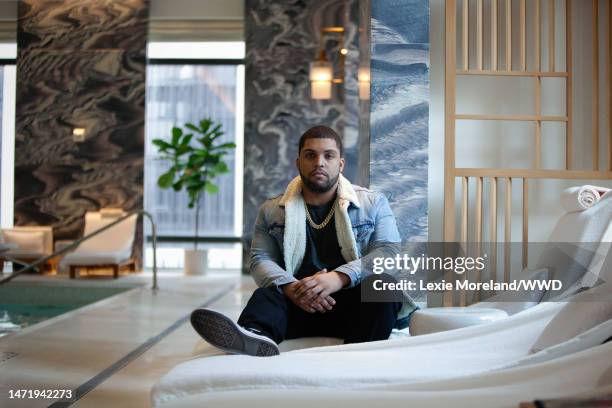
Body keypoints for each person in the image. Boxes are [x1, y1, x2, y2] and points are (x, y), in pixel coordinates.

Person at [190, 125, 416, 356]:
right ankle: (254, 337)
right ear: (298, 163)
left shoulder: (372, 203)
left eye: (328, 155)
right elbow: (260, 259)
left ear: (341, 164)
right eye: (311, 155)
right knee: (267, 296)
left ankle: (356, 357)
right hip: (298, 302)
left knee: (384, 288)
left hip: (352, 306)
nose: (319, 162)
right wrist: (291, 287)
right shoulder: (272, 211)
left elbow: (389, 253)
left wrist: (339, 277)